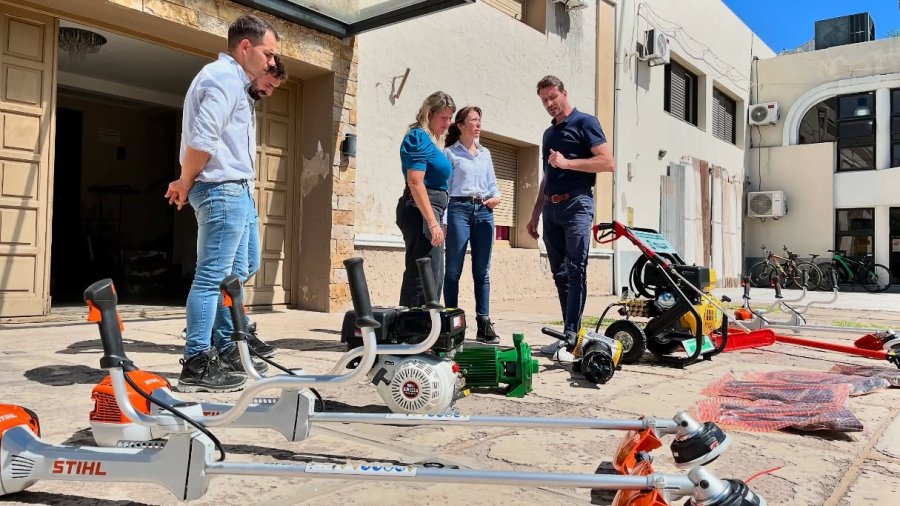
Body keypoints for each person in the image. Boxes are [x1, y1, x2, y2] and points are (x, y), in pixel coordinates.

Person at [165, 14, 278, 393]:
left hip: (238, 189)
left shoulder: (237, 84)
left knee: (244, 266)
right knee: (212, 279)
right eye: (268, 52)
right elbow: (203, 140)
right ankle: (197, 360)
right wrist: (185, 180)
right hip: (220, 189)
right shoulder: (222, 78)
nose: (271, 62)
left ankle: (228, 344)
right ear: (245, 46)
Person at [525, 75, 615, 358]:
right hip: (551, 209)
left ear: (564, 93)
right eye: (544, 101)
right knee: (560, 274)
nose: (549, 104)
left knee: (576, 270)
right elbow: (547, 176)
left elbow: (607, 161)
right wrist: (535, 213)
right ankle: (567, 335)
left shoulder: (585, 122)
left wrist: (567, 163)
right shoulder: (548, 134)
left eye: (553, 97)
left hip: (577, 204)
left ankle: (572, 337)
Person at [442, 106, 501, 344]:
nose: (478, 123)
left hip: (484, 212)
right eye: (473, 120)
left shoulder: (485, 153)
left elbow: (493, 185)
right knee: (453, 270)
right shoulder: (450, 154)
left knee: (482, 272)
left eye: (479, 119)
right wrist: (444, 221)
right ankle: (451, 322)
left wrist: (495, 198)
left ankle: (483, 323)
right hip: (459, 209)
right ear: (460, 125)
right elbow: (445, 190)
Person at [397, 92, 456, 307]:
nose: (448, 123)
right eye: (443, 117)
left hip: (432, 210)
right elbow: (415, 182)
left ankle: (426, 328)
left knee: (432, 273)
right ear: (429, 113)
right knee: (423, 274)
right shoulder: (418, 137)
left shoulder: (431, 141)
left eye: (450, 118)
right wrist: (432, 222)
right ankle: (413, 331)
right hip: (422, 210)